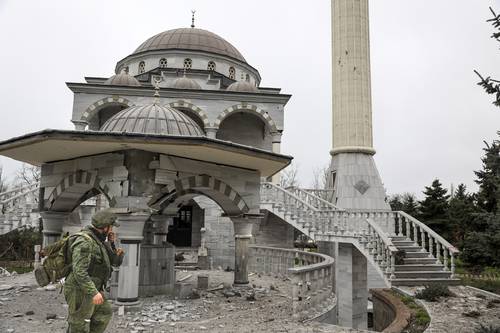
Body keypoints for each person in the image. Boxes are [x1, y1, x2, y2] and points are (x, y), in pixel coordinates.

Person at [64, 210, 125, 333]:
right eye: (111, 226)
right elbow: (79, 271)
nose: (112, 229)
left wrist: (112, 243)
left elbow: (114, 262)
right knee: (79, 324)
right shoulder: (85, 242)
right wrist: (93, 292)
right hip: (79, 289)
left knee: (104, 312)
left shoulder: (99, 241)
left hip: (93, 287)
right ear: (105, 227)